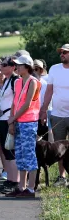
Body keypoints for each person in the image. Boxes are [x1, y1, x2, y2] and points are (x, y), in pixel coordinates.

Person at [6, 55, 41, 198]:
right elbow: (15, 102)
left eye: (20, 65)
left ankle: (31, 189)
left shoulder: (33, 82)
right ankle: (21, 187)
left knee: (29, 155)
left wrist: (13, 118)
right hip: (18, 121)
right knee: (19, 155)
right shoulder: (18, 82)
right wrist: (12, 120)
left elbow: (27, 104)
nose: (17, 67)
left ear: (27, 66)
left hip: (29, 122)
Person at [40, 44, 69, 187]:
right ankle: (62, 177)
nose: (62, 54)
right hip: (58, 114)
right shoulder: (54, 69)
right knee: (60, 149)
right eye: (61, 52)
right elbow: (49, 91)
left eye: (65, 52)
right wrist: (44, 110)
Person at [0, 56, 19, 193]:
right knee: (6, 150)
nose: (2, 67)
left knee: (11, 151)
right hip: (2, 118)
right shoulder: (6, 80)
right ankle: (10, 180)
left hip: (9, 119)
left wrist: (12, 121)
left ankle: (15, 182)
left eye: (5, 65)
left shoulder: (15, 80)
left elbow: (17, 102)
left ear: (12, 67)